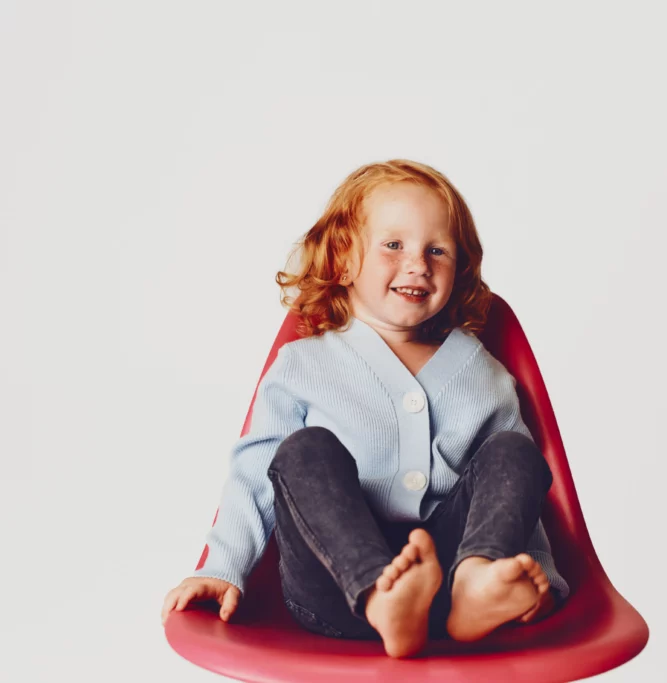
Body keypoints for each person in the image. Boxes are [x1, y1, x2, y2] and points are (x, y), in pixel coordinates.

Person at [161, 159, 569, 658]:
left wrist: (534, 576)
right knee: (304, 450)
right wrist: (222, 568)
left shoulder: (484, 374)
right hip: (335, 593)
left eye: (437, 250)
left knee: (514, 450)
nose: (418, 264)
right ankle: (382, 599)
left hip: (447, 585)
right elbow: (255, 476)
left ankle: (475, 589)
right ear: (343, 259)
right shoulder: (304, 365)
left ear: (460, 268)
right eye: (393, 245)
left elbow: (515, 494)